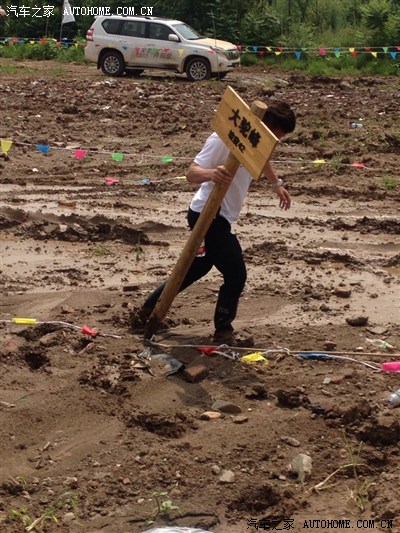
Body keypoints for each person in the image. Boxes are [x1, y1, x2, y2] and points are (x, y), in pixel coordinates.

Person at [132, 99, 296, 344]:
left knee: (195, 268)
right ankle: (223, 331)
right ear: (263, 127)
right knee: (236, 274)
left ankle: (147, 311)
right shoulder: (223, 139)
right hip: (208, 215)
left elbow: (263, 159)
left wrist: (277, 185)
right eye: (275, 137)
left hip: (220, 216)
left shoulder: (256, 142)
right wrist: (212, 174)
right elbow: (191, 173)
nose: (275, 144)